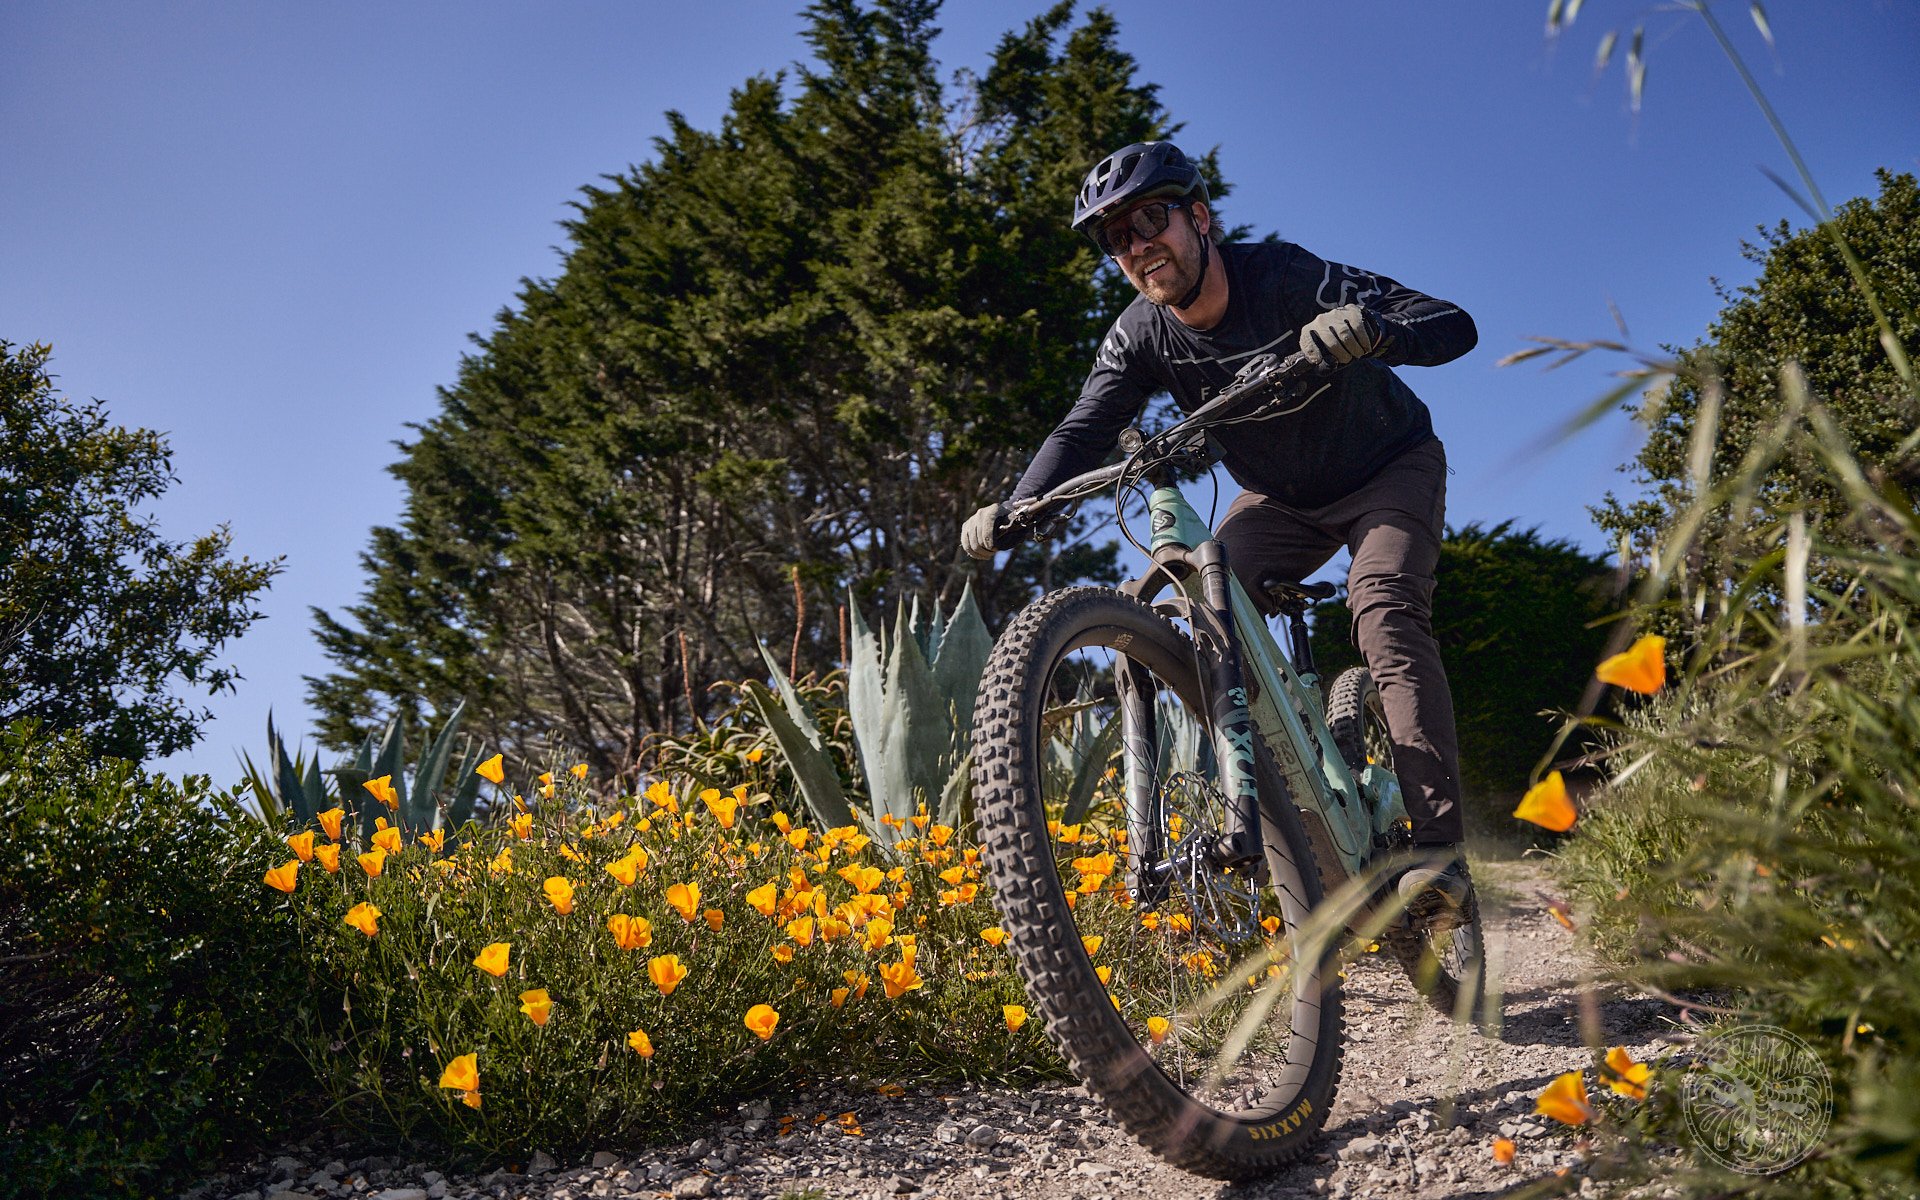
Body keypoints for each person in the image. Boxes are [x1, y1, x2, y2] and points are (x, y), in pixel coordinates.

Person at [961, 140, 1478, 921]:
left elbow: (1449, 322)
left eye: (1151, 220)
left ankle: (1439, 855)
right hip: (1277, 499)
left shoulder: (1286, 276)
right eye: (1118, 239)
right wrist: (1016, 507)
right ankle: (1285, 823)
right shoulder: (1140, 335)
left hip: (1388, 468)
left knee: (1384, 611)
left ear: (1199, 218)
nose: (1138, 247)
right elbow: (1081, 431)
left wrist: (1372, 331)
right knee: (1195, 615)